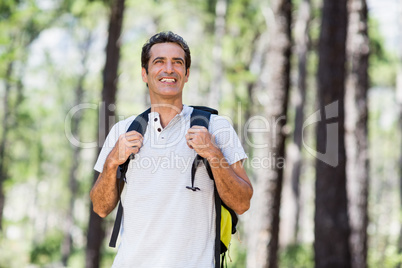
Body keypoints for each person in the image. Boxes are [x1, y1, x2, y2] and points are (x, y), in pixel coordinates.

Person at [90, 31, 253, 268]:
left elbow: (242, 202)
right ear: (145, 74)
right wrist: (112, 161)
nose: (169, 69)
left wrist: (214, 154)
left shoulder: (217, 127)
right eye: (159, 62)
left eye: (178, 62)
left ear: (186, 74)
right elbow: (100, 207)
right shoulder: (122, 131)